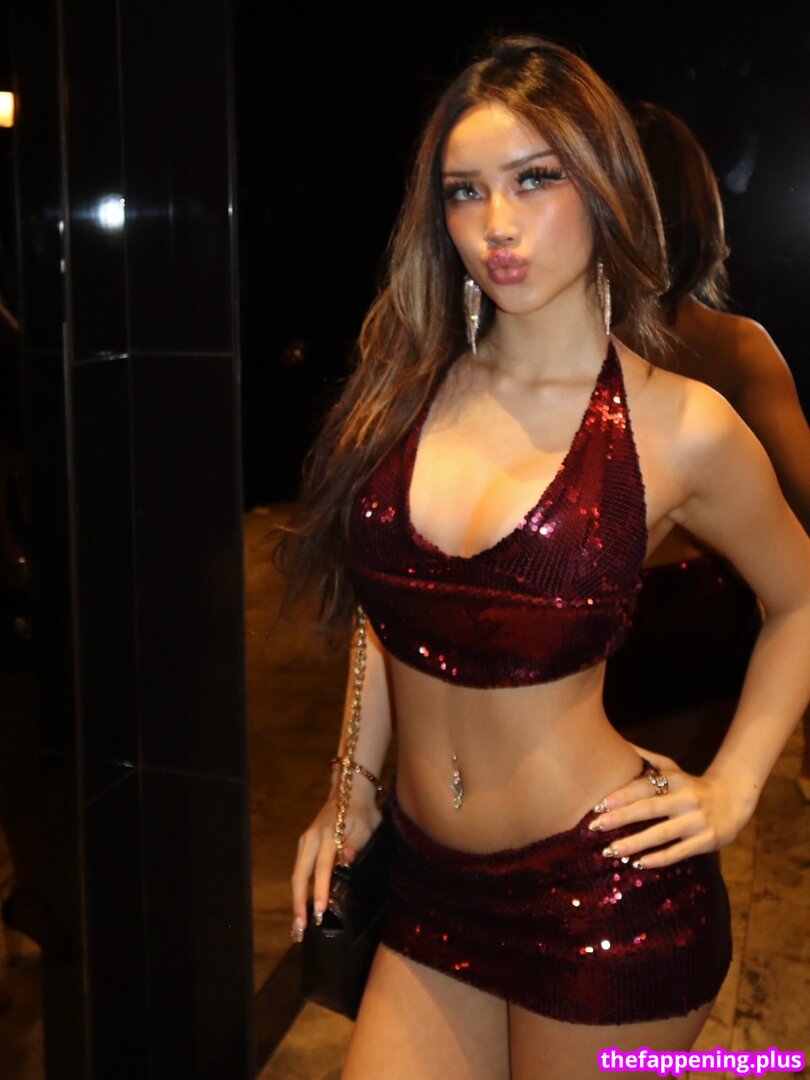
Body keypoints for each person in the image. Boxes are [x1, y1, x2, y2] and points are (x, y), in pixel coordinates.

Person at [279, 37, 810, 1079]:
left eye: (534, 179)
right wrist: (351, 790)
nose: (498, 224)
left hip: (603, 900)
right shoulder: (406, 391)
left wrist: (735, 785)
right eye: (464, 192)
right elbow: (388, 614)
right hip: (429, 892)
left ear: (605, 185)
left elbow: (801, 597)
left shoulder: (680, 425)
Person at [604, 102, 810, 780]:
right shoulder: (738, 350)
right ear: (699, 213)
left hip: (580, 628)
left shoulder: (540, 353)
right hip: (699, 627)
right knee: (683, 826)